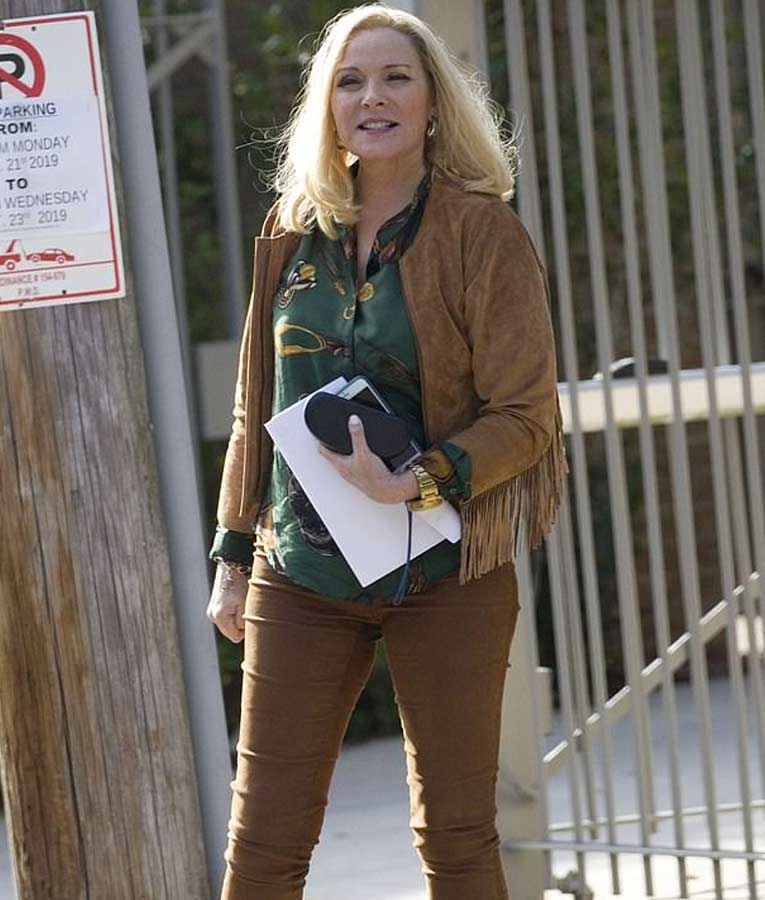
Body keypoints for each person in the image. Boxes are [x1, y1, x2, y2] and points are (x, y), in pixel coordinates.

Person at [206, 5, 567, 899]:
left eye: (395, 77)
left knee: (455, 838)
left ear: (433, 101)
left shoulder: (482, 233)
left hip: (445, 571)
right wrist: (234, 556)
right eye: (350, 81)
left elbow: (526, 415)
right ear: (327, 107)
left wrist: (419, 480)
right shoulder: (291, 230)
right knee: (262, 847)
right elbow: (256, 402)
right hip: (301, 571)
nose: (372, 96)